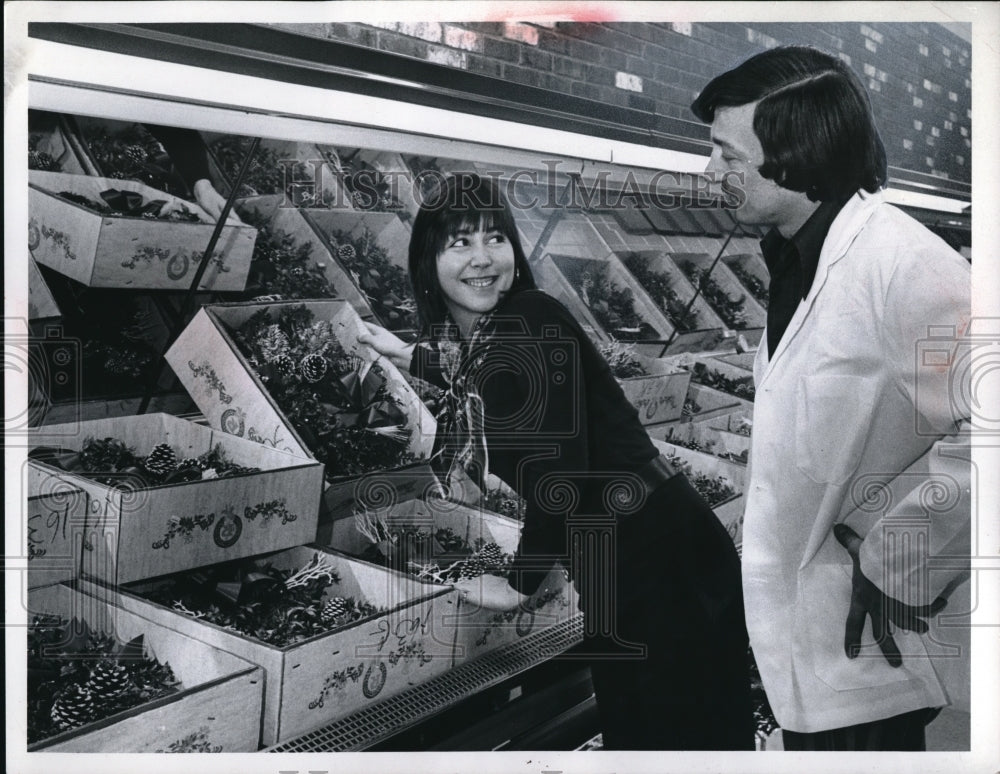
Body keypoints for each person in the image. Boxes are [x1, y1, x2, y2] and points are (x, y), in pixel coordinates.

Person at [359, 173, 755, 750]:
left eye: (495, 238)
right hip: (642, 554)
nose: (482, 258)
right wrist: (408, 354)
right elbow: (489, 377)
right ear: (428, 259)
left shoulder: (528, 319)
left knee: (671, 744)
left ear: (515, 249)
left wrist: (519, 582)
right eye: (459, 243)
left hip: (657, 565)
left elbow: (559, 472)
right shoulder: (507, 327)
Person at [691, 46, 972, 750]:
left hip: (867, 647)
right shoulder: (796, 254)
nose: (709, 173)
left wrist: (904, 559)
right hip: (814, 643)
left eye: (728, 156)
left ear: (794, 153)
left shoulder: (907, 266)